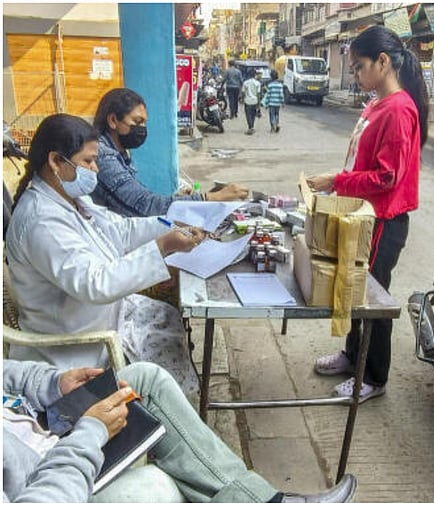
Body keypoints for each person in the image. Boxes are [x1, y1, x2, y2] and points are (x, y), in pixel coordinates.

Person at [6, 114, 204, 396]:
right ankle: (163, 414)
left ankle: (176, 404)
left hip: (101, 316)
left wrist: (170, 224)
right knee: (160, 358)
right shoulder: (41, 221)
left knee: (166, 318)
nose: (95, 169)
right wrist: (162, 247)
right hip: (74, 342)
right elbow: (96, 284)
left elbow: (120, 230)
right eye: (88, 161)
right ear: (55, 161)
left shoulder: (69, 198)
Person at [3, 359, 357, 503]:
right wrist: (91, 432)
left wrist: (53, 383)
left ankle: (259, 500)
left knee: (146, 379)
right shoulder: (42, 220)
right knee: (159, 484)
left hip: (44, 429)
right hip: (50, 480)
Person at [306, 25, 430, 403]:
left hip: (384, 221)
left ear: (383, 61)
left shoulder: (398, 109)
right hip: (365, 214)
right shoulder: (378, 103)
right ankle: (351, 355)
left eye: (359, 67)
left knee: (372, 299)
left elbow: (387, 175)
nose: (355, 75)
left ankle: (373, 377)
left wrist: (337, 180)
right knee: (355, 288)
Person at [91, 88, 249, 218]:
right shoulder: (101, 155)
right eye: (137, 122)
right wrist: (210, 198)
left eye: (145, 123)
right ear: (113, 120)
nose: (142, 129)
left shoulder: (119, 153)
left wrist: (182, 199)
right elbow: (145, 205)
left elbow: (136, 196)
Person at [241, 69, 263, 135]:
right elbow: (258, 94)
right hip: (255, 101)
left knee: (248, 115)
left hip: (247, 101)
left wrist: (242, 99)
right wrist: (259, 104)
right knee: (253, 115)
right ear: (254, 75)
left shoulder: (245, 82)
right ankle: (252, 127)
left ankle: (250, 127)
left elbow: (243, 92)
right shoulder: (258, 83)